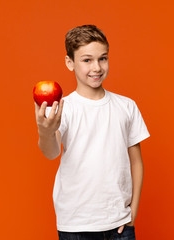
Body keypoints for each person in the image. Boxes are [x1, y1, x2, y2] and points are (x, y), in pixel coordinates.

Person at [34, 25, 150, 240]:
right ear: (70, 63)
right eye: (87, 60)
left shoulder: (126, 106)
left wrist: (132, 213)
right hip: (76, 225)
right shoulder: (64, 108)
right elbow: (51, 152)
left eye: (102, 58)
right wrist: (45, 131)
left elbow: (136, 162)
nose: (96, 67)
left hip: (119, 224)